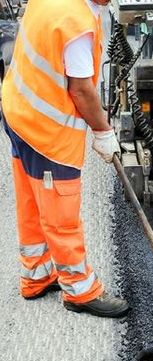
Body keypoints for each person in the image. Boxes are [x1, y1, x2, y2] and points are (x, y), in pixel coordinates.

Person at [1, 0, 130, 318]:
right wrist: (103, 132)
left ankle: (37, 275)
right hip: (47, 132)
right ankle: (80, 289)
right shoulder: (76, 24)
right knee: (61, 215)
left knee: (32, 203)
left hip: (19, 113)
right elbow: (82, 90)